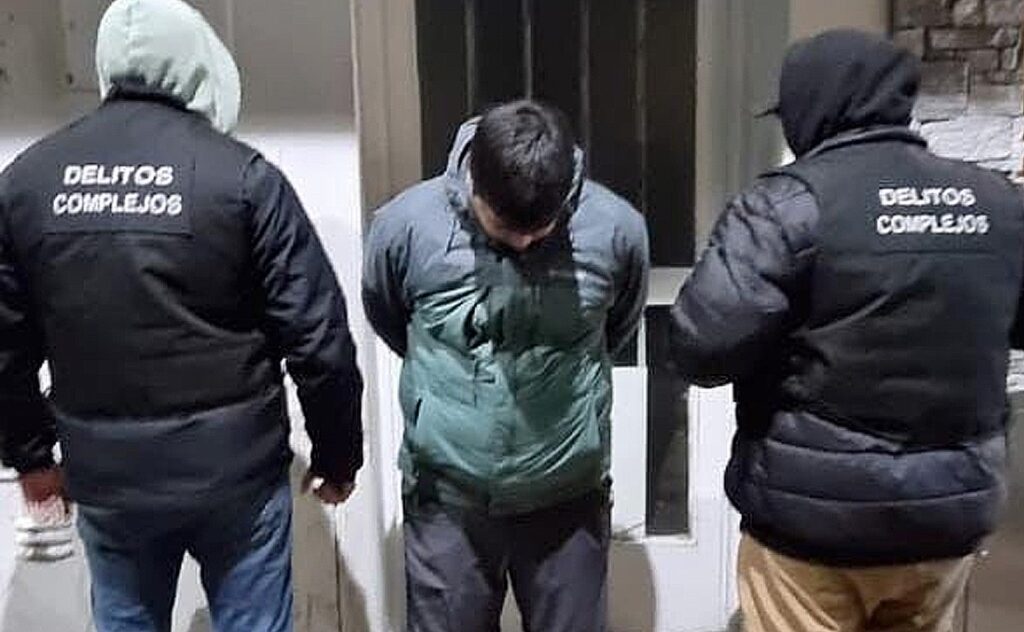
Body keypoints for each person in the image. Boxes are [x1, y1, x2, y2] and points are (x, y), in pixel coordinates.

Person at [0, 0, 364, 630]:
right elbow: (318, 340)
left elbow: (4, 345)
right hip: (236, 475)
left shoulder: (27, 183)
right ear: (201, 62)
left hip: (109, 478)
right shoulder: (242, 178)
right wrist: (337, 458)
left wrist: (31, 458)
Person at [669, 29, 1024, 632]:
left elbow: (702, 347)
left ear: (814, 108)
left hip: (815, 524)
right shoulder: (997, 202)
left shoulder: (787, 205)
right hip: (948, 515)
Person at [363, 99, 649, 632]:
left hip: (567, 495)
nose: (522, 241)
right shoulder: (406, 226)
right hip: (448, 498)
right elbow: (389, 316)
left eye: (538, 230)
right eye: (505, 226)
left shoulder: (616, 229)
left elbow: (617, 328)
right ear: (474, 182)